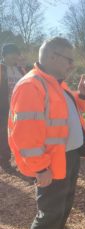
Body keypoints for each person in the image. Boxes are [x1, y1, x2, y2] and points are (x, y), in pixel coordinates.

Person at [8, 37, 85, 229]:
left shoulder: (56, 84)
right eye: (69, 60)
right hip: (51, 162)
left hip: (68, 156)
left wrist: (83, 96)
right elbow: (25, 135)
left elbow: (69, 112)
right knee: (49, 215)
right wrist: (40, 167)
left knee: (62, 209)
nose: (72, 65)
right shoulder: (31, 85)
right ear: (53, 57)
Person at [0, 43, 26, 172]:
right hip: (4, 109)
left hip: (20, 109)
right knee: (4, 136)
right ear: (4, 55)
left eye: (16, 54)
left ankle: (23, 162)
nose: (14, 56)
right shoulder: (1, 69)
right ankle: (5, 163)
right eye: (12, 54)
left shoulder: (20, 69)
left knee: (21, 135)